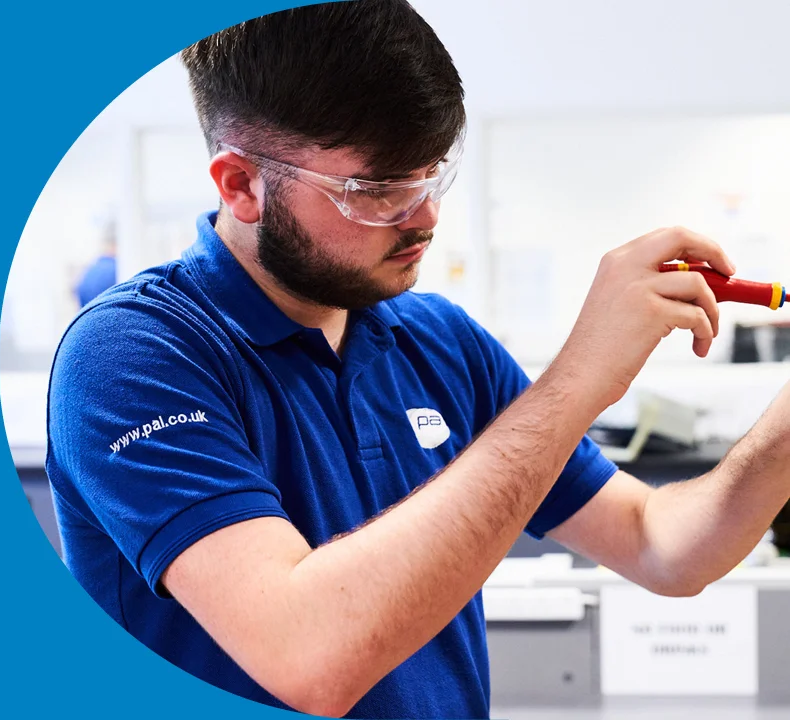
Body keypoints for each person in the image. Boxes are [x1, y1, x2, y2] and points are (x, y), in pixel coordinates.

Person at [45, 3, 790, 718]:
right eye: (377, 190)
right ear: (241, 185)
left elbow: (662, 546)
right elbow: (309, 654)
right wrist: (579, 379)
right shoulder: (132, 355)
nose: (425, 216)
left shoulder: (437, 341)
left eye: (432, 174)